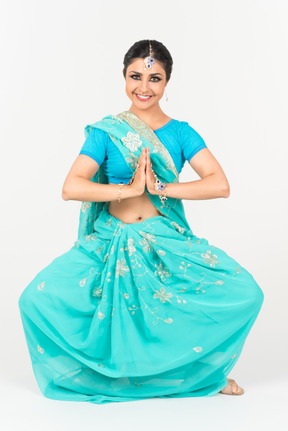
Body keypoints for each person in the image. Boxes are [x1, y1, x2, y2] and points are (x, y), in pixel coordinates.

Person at [18, 39, 264, 404]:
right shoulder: (106, 131)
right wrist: (129, 191)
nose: (144, 87)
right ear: (124, 76)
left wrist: (159, 186)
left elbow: (219, 184)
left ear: (167, 83)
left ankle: (205, 376)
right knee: (34, 300)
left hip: (162, 239)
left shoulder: (181, 132)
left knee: (246, 293)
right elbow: (71, 188)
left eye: (155, 78)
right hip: (108, 240)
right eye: (136, 76)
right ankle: (101, 377)